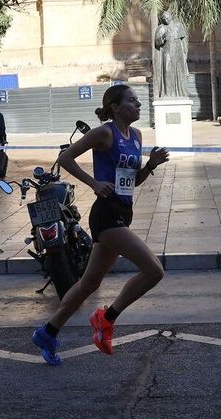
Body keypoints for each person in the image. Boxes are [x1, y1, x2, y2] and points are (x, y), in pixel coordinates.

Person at [28, 84, 169, 366]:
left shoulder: (137, 136)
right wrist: (93, 183)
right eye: (132, 101)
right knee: (154, 271)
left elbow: (132, 181)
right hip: (106, 215)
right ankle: (106, 318)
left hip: (123, 211)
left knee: (89, 283)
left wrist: (150, 165)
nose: (139, 105)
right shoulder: (105, 132)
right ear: (115, 107)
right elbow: (65, 158)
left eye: (139, 101)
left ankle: (48, 332)